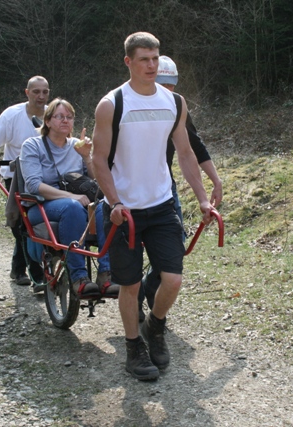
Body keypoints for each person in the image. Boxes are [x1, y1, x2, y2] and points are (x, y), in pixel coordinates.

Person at [91, 32, 215, 381]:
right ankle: (134, 349)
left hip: (161, 204)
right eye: (144, 59)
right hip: (123, 210)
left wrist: (203, 197)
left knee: (172, 279)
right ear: (128, 62)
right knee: (129, 286)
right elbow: (98, 160)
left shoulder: (173, 103)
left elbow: (187, 153)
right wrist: (114, 202)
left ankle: (155, 328)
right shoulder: (111, 104)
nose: (151, 65)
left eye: (155, 58)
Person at [138, 55, 223, 321]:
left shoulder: (176, 108)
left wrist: (216, 181)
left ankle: (146, 290)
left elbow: (194, 147)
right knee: (131, 248)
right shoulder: (131, 106)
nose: (168, 90)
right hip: (131, 188)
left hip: (164, 188)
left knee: (175, 246)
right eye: (163, 83)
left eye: (172, 85)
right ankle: (131, 294)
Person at [20, 98, 118, 299]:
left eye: (69, 117)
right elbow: (34, 185)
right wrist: (71, 196)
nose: (65, 121)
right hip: (42, 206)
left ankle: (106, 275)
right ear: (47, 121)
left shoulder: (76, 145)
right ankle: (79, 278)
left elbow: (96, 181)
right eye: (59, 117)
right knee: (72, 207)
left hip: (78, 204)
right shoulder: (32, 145)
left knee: (104, 206)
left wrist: (86, 157)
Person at [0, 76, 50, 290]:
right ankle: (35, 275)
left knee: (35, 224)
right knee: (21, 225)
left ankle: (20, 268)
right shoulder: (12, 115)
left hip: (44, 177)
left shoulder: (53, 115)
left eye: (45, 91)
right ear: (27, 92)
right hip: (16, 178)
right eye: (36, 91)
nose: (41, 96)